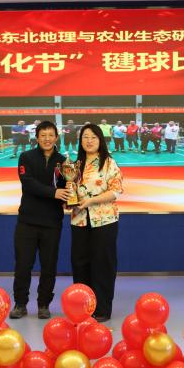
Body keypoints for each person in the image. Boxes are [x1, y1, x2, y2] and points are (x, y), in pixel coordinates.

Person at [10, 121, 70, 320]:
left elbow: (67, 188)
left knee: (49, 266)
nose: (47, 139)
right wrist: (54, 193)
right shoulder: (25, 157)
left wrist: (71, 198)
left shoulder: (63, 161)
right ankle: (20, 304)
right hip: (27, 221)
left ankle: (44, 304)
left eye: (50, 135)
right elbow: (28, 184)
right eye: (43, 135)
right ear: (37, 138)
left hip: (52, 222)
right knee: (23, 265)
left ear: (56, 137)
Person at [70, 123, 123, 322]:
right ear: (80, 141)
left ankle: (101, 309)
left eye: (93, 137)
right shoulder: (75, 165)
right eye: (85, 137)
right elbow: (71, 191)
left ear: (100, 140)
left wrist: (91, 201)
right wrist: (68, 201)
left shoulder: (109, 163)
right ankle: (82, 308)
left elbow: (116, 191)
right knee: (80, 263)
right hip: (79, 220)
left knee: (103, 264)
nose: (89, 141)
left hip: (104, 220)